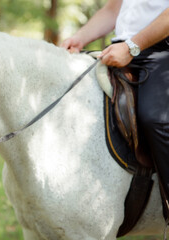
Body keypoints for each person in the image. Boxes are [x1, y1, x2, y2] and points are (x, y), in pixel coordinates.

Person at [61, 0, 169, 222]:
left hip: (160, 50)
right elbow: (112, 9)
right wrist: (80, 37)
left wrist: (132, 46)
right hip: (119, 50)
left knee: (155, 118)